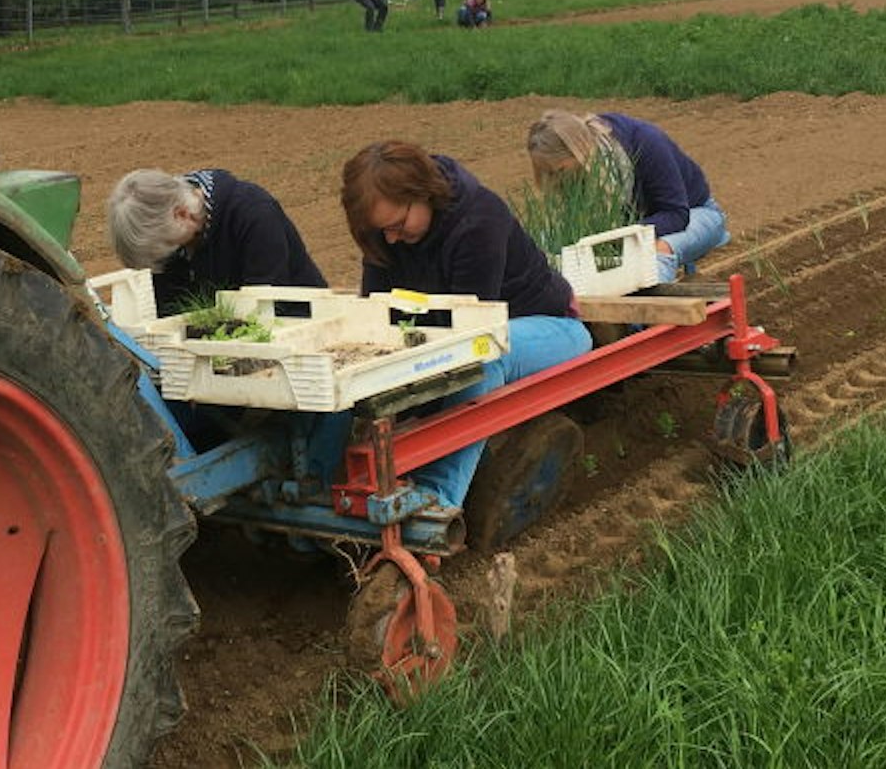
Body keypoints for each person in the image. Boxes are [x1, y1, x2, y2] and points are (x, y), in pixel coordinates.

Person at [308, 141, 590, 515]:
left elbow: (468, 334)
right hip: (458, 333)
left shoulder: (478, 220)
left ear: (423, 193)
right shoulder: (385, 232)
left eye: (398, 226)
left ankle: (438, 499)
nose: (391, 239)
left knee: (481, 360)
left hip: (545, 324)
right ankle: (319, 486)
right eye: (382, 230)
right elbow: (378, 313)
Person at [526, 109, 728, 284]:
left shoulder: (644, 141)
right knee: (543, 243)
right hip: (627, 232)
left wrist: (622, 237)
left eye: (560, 170)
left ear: (578, 151)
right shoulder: (571, 172)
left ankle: (645, 312)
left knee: (653, 254)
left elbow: (676, 214)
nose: (557, 179)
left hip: (694, 214)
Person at [107, 167, 326, 313]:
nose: (168, 256)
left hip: (302, 323)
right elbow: (168, 309)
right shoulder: (168, 227)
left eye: (168, 246)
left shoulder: (255, 214)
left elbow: (267, 305)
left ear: (182, 214)